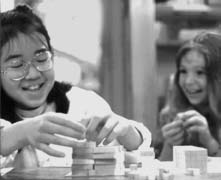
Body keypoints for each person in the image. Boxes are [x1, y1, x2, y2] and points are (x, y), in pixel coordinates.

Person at [0, 4, 151, 169]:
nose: (33, 74)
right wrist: (14, 136)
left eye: (42, 59)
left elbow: (132, 156)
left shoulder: (82, 103)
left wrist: (130, 135)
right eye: (16, 65)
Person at [154, 31, 221, 161]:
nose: (188, 81)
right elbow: (159, 170)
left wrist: (209, 143)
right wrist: (170, 144)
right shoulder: (170, 115)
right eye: (183, 71)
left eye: (200, 72)